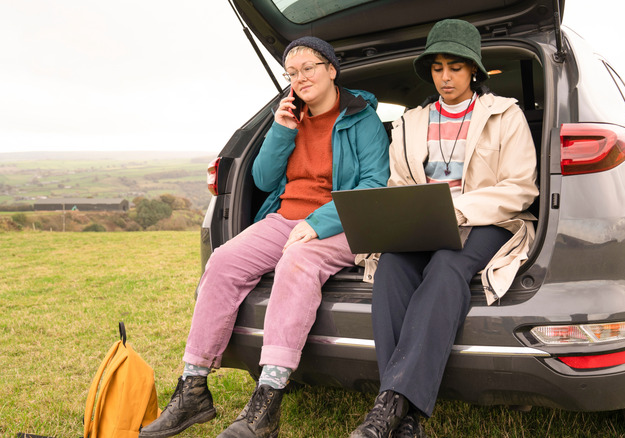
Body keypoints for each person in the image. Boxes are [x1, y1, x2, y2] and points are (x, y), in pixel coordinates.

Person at [139, 37, 389, 438]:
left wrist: (319, 222)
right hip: (285, 218)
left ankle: (267, 402)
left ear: (331, 69)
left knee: (298, 260)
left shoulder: (363, 120)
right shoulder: (292, 117)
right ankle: (193, 390)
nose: (300, 78)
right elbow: (263, 179)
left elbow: (374, 184)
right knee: (222, 261)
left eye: (309, 68)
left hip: (344, 223)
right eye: (292, 73)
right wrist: (280, 130)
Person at [350, 19, 538, 438]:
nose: (446, 77)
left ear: (473, 69)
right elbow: (399, 183)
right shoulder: (410, 122)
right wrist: (404, 212)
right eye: (437, 68)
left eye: (455, 67)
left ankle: (388, 406)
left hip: (488, 220)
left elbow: (521, 187)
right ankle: (404, 419)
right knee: (392, 268)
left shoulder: (504, 114)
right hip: (423, 220)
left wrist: (460, 208)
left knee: (446, 268)